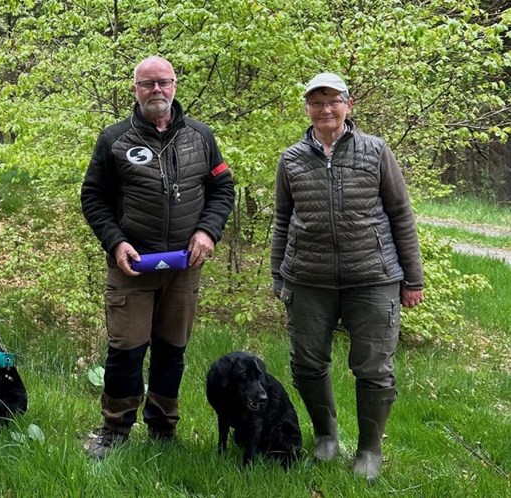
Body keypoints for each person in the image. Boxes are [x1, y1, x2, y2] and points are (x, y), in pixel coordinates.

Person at [271, 72, 424, 480]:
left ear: (348, 105)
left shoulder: (376, 151)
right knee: (306, 363)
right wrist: (278, 277)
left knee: (374, 367)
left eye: (333, 100)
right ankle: (326, 438)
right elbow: (283, 220)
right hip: (308, 279)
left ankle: (370, 452)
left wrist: (414, 279)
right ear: (307, 108)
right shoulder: (290, 159)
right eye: (316, 102)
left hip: (373, 277)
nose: (325, 109)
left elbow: (400, 214)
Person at [80, 56, 235, 459]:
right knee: (127, 349)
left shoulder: (201, 137)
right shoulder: (114, 139)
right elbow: (93, 197)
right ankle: (114, 429)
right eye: (147, 84)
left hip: (185, 266)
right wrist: (114, 242)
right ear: (135, 89)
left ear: (175, 85)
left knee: (172, 349)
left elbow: (223, 190)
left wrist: (207, 231)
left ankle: (164, 427)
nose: (156, 91)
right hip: (132, 265)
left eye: (163, 83)